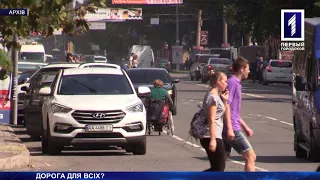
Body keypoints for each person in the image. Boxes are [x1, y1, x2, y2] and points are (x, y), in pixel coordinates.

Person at [223, 56, 256, 172]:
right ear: (241, 69)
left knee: (222, 159)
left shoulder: (236, 83)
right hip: (231, 127)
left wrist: (245, 127)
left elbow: (234, 111)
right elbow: (226, 105)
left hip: (230, 126)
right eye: (248, 68)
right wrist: (230, 129)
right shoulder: (233, 83)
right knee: (250, 156)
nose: (249, 71)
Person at [200, 72, 229, 172]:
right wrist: (213, 140)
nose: (226, 84)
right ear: (218, 81)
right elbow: (212, 119)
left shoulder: (213, 95)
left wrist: (224, 101)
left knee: (216, 168)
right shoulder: (213, 97)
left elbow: (219, 115)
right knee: (219, 169)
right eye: (225, 81)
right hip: (212, 136)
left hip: (213, 135)